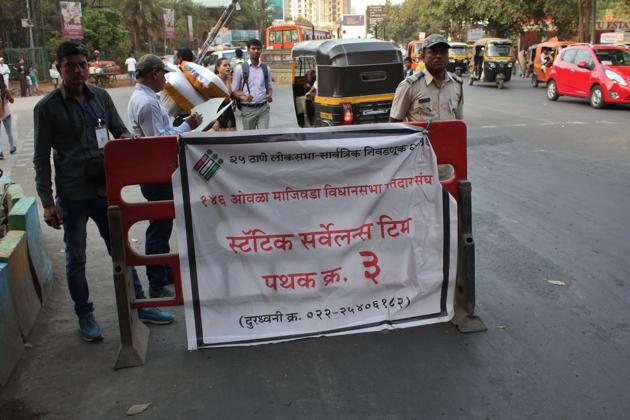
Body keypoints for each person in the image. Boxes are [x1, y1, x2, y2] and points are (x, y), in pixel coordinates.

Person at [33, 42, 174, 342]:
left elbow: (119, 131)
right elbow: (40, 157)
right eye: (70, 65)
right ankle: (85, 314)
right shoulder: (46, 108)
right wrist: (47, 202)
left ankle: (140, 304)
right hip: (72, 196)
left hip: (104, 190)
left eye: (82, 64)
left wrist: (133, 146)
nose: (78, 70)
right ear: (58, 67)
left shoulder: (100, 97)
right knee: (76, 257)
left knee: (120, 250)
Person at [127, 54, 202, 298]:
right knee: (159, 226)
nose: (166, 79)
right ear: (155, 74)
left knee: (163, 224)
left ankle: (163, 272)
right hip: (156, 172)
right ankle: (156, 281)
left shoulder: (146, 98)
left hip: (155, 170)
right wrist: (187, 125)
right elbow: (160, 139)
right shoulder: (147, 103)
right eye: (164, 74)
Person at [390, 34, 463, 123]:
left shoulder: (456, 84)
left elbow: (458, 121)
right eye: (432, 52)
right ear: (423, 56)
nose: (439, 56)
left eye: (443, 52)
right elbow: (394, 122)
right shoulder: (409, 86)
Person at [231, 39, 273, 130]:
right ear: (248, 50)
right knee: (250, 138)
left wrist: (270, 95)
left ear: (261, 50)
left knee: (263, 136)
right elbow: (234, 90)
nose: (256, 51)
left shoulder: (266, 69)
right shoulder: (239, 69)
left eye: (258, 49)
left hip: (263, 109)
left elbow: (269, 87)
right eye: (253, 48)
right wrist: (244, 97)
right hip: (248, 109)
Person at [213, 57, 236, 130]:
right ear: (218, 68)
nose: (228, 67)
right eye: (225, 65)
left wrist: (228, 80)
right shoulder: (214, 80)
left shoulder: (228, 79)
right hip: (217, 110)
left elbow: (228, 95)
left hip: (228, 109)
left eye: (229, 65)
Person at [0, 76, 16, 159]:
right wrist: (9, 94)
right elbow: (12, 101)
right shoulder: (5, 90)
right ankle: (12, 147)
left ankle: (0, 152)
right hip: (6, 113)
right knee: (9, 131)